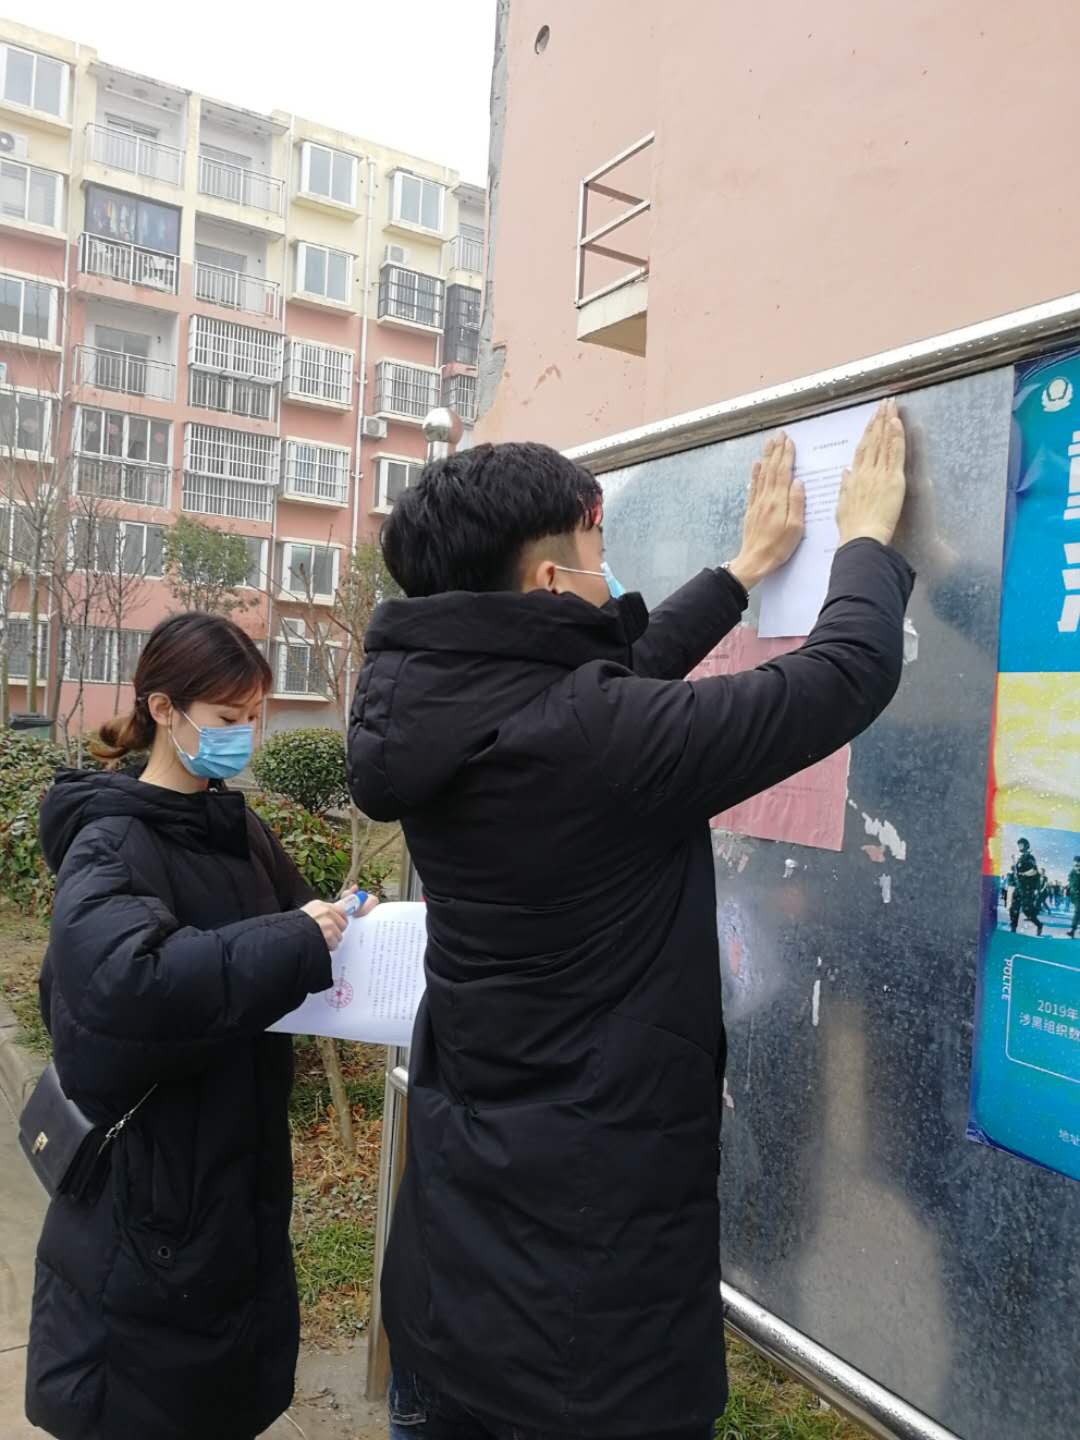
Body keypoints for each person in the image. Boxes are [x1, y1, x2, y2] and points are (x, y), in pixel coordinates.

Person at [348, 401, 912, 1440]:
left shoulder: (436, 711)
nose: (608, 571)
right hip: (584, 1345)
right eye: (595, 548)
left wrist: (740, 573)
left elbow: (614, 685)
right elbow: (844, 675)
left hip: (451, 1295)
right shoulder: (592, 739)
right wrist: (868, 538)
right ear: (547, 583)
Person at [25, 612, 374, 1440]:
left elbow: (297, 927)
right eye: (226, 718)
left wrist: (352, 923)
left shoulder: (237, 828)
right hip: (149, 1204)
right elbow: (126, 983)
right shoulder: (110, 840)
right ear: (163, 709)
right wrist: (295, 939)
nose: (244, 736)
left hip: (232, 1182)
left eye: (253, 716)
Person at [1009, 837, 1043, 936]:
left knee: (1027, 911)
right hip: (1018, 887)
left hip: (1027, 888)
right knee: (1013, 909)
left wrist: (1022, 873)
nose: (1019, 847)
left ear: (1026, 846)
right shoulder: (1020, 858)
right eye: (1019, 845)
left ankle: (1039, 924)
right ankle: (1013, 928)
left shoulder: (1030, 857)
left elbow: (1034, 871)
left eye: (1021, 845)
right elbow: (1017, 872)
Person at [1068, 856, 1080, 939]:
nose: (1076, 866)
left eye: (1077, 864)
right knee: (1077, 912)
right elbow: (1071, 882)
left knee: (1077, 912)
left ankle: (1072, 930)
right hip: (1075, 896)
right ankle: (1073, 930)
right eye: (1075, 864)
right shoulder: (1072, 872)